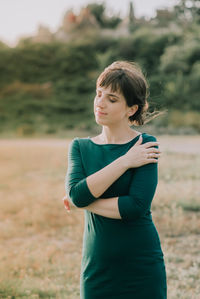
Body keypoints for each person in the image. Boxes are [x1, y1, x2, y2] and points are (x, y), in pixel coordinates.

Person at [64, 61, 167, 299]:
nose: (100, 103)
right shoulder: (79, 147)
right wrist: (125, 161)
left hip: (142, 265)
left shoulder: (145, 145)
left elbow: (135, 207)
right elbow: (76, 194)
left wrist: (84, 200)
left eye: (111, 99)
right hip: (97, 268)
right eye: (98, 94)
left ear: (131, 109)